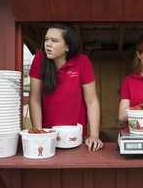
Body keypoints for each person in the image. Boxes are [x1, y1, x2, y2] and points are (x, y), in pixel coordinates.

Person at [29, 23, 103, 151]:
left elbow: (92, 101)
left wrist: (94, 135)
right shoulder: (39, 59)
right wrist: (39, 132)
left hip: (75, 135)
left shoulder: (82, 61)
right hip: (48, 134)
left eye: (54, 40)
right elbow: (34, 99)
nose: (48, 44)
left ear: (67, 46)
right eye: (46, 39)